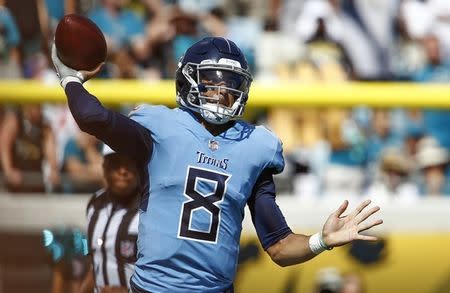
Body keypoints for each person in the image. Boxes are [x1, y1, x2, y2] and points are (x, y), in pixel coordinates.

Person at [51, 36, 383, 292]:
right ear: (189, 81)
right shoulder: (159, 128)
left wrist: (320, 241)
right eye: (213, 81)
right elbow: (92, 116)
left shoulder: (255, 146)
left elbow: (280, 246)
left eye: (231, 84)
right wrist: (70, 79)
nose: (222, 92)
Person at [79, 145, 140, 292]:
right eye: (116, 163)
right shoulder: (95, 203)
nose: (123, 171)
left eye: (130, 164)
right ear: (105, 167)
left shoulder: (149, 210)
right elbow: (97, 259)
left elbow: (163, 272)